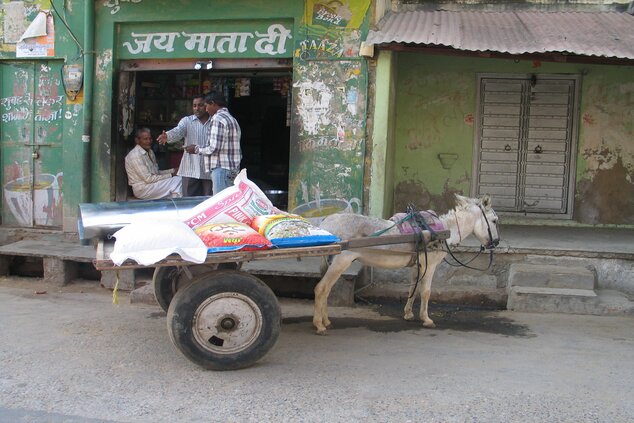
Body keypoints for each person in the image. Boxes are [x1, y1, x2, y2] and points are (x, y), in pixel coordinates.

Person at [184, 91, 241, 195]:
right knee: (228, 202)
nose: (206, 109)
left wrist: (196, 149)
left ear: (213, 104)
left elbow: (213, 148)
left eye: (206, 106)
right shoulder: (232, 119)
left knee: (220, 204)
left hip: (222, 169)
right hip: (232, 169)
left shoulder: (217, 119)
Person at [156, 95, 212, 196]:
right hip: (190, 168)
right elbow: (178, 131)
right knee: (188, 201)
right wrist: (167, 136)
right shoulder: (187, 121)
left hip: (208, 169)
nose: (197, 108)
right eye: (194, 106)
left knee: (208, 201)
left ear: (206, 106)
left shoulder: (214, 122)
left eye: (200, 105)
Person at [125, 127, 182, 199]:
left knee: (178, 183)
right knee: (177, 181)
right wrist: (171, 174)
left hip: (151, 185)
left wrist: (173, 170)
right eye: (145, 139)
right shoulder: (135, 156)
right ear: (137, 140)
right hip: (143, 189)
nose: (149, 141)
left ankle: (175, 207)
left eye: (150, 139)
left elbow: (156, 173)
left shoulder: (150, 152)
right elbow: (148, 179)